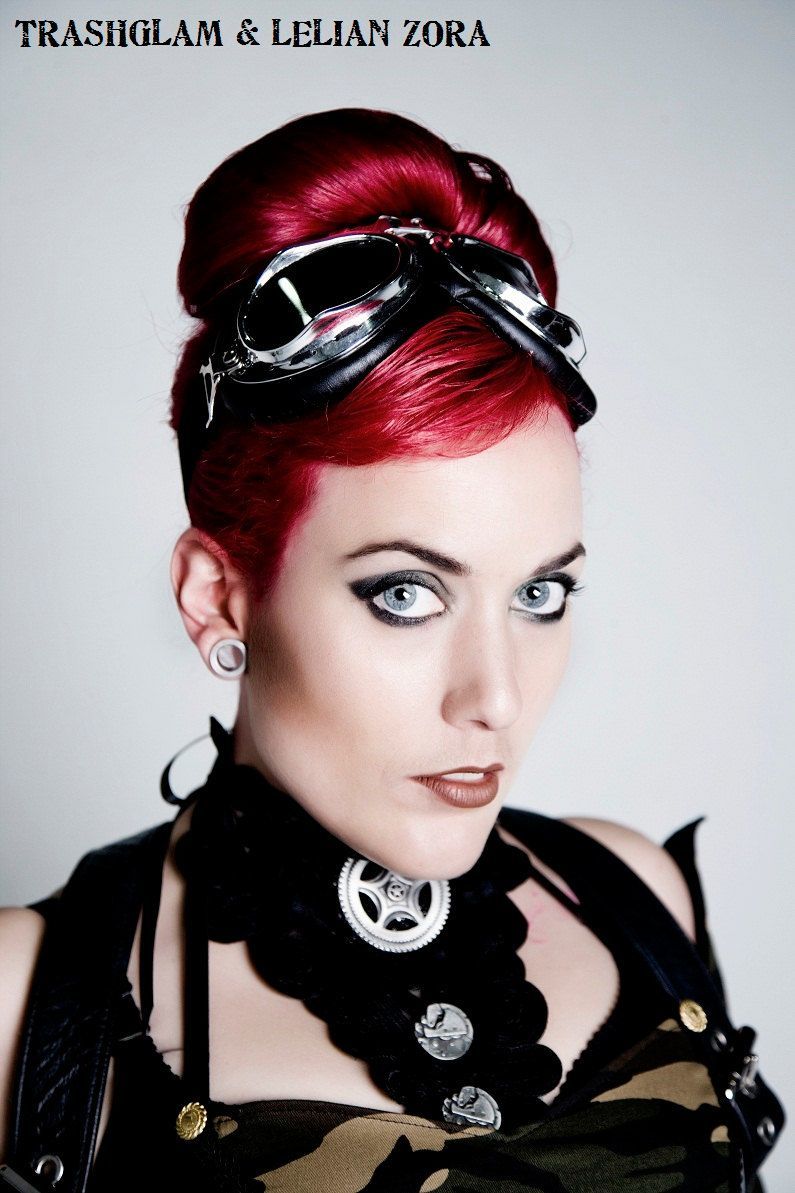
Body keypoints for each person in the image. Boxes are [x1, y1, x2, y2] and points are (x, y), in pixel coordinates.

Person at [0, 108, 783, 1193]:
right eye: (405, 594)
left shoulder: (637, 894)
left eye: (540, 593)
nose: (494, 697)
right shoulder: (25, 1001)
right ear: (217, 597)